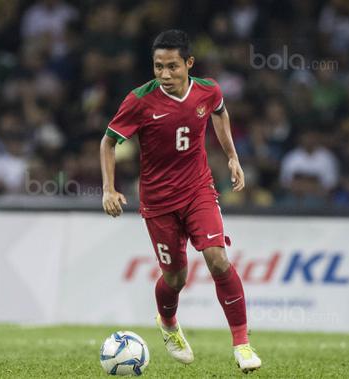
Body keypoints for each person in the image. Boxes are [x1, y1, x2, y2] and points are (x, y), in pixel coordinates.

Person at [99, 30, 261, 373]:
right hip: (158, 201)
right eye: (158, 67)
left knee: (218, 260)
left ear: (189, 63)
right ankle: (168, 322)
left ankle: (242, 343)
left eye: (172, 66)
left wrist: (232, 156)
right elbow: (108, 142)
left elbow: (220, 112)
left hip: (198, 190)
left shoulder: (208, 90)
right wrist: (109, 189)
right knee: (175, 278)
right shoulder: (139, 100)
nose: (165, 74)